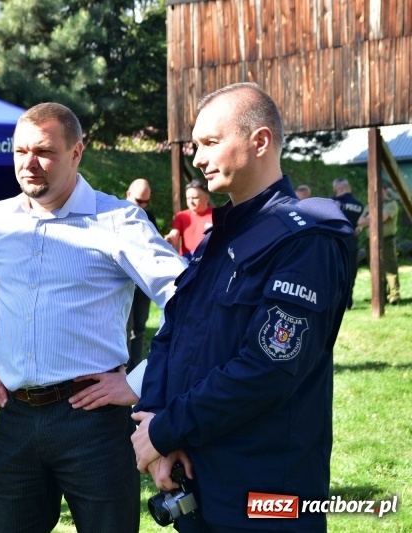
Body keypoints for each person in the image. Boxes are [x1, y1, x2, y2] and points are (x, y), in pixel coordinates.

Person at [0, 103, 186, 533]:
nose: (28, 163)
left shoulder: (117, 219)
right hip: (16, 418)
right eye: (20, 151)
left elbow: (190, 303)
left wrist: (136, 382)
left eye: (43, 151)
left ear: (77, 152)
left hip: (92, 422)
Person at [132, 83, 354, 532]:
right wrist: (156, 425)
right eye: (196, 145)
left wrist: (165, 430)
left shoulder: (305, 238)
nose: (196, 158)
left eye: (211, 142)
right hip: (195, 475)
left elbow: (268, 368)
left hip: (267, 491)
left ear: (260, 141)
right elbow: (171, 331)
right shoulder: (222, 236)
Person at [124, 177, 158, 372]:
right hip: (123, 281)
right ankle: (123, 371)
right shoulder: (115, 215)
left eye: (146, 202)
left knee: (140, 328)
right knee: (125, 329)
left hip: (142, 280)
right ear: (128, 194)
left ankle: (134, 370)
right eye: (139, 201)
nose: (142, 206)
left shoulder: (148, 216)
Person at [357, 184, 401, 305]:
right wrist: (370, 220)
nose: (374, 193)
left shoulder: (391, 204)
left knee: (390, 267)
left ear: (385, 190)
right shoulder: (369, 206)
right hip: (371, 241)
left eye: (378, 190)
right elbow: (360, 221)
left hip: (386, 240)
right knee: (375, 269)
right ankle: (380, 295)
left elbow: (382, 218)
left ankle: (394, 295)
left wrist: (368, 220)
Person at [332, 177, 363, 308]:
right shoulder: (359, 205)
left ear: (339, 189)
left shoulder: (334, 203)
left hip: (336, 242)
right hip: (352, 243)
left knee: (335, 272)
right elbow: (360, 225)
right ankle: (348, 301)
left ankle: (336, 301)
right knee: (351, 271)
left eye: (335, 190)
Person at [165, 179, 213, 258]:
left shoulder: (216, 215)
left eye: (195, 198)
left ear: (206, 198)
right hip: (187, 261)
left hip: (208, 259)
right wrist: (168, 239)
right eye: (188, 198)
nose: (191, 201)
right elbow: (174, 235)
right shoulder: (182, 216)